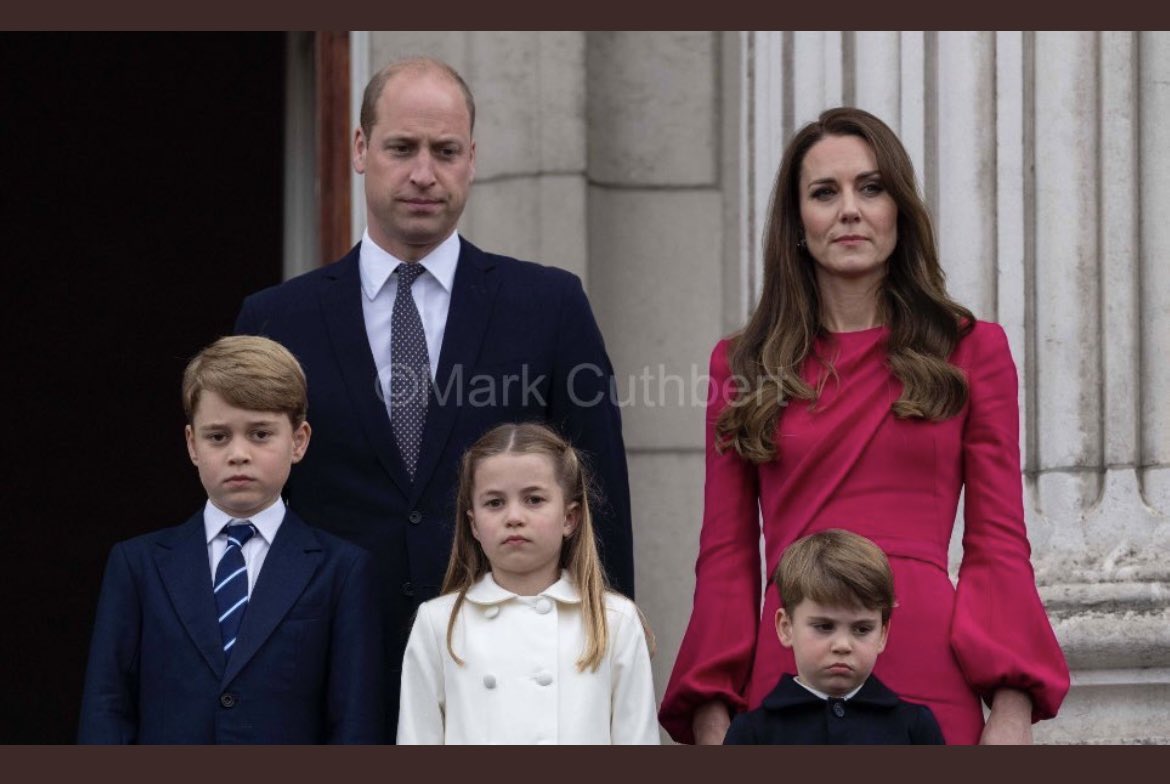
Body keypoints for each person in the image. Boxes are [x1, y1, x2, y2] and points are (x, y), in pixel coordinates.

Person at [234, 57, 633, 735]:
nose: (424, 173)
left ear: (471, 158)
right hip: (326, 675)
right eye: (401, 148)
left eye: (445, 151)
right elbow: (245, 508)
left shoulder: (549, 305)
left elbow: (600, 494)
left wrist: (607, 649)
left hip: (505, 681)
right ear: (360, 150)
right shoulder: (276, 319)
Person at [659, 107, 1069, 745]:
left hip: (928, 676)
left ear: (899, 210)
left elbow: (998, 543)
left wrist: (1010, 714)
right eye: (825, 193)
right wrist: (714, 716)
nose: (850, 209)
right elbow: (725, 557)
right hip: (786, 685)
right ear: (798, 225)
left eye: (871, 188)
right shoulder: (741, 364)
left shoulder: (971, 350)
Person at [78, 336, 383, 743]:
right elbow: (106, 708)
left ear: (299, 440)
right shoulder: (138, 565)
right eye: (218, 437)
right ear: (192, 444)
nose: (238, 453)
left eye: (260, 434)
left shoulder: (342, 570)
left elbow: (354, 722)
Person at [396, 423, 658, 744]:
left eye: (533, 499)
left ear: (569, 518)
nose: (514, 516)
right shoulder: (438, 623)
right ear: (473, 524)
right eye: (494, 503)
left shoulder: (614, 620)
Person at [723, 529, 944, 744]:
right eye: (824, 626)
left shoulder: (915, 727)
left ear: (883, 635)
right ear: (786, 627)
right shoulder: (751, 733)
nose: (842, 645)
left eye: (862, 629)